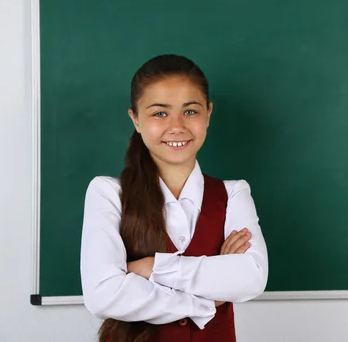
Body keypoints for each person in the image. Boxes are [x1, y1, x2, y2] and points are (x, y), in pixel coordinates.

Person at [80, 54, 269, 342]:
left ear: (208, 113)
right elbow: (102, 295)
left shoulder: (233, 193)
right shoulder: (108, 193)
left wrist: (153, 268)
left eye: (190, 111)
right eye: (159, 113)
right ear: (136, 119)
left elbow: (252, 277)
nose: (177, 126)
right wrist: (207, 297)